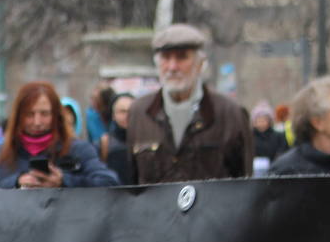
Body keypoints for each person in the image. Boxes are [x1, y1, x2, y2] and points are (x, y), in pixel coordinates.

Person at [128, 22, 252, 184]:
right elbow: (132, 182)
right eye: (166, 58)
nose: (172, 67)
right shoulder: (140, 113)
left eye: (181, 57)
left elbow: (244, 181)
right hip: (155, 210)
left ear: (200, 64)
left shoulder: (230, 113)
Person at [0, 81, 120, 189]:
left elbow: (109, 183)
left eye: (44, 114)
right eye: (29, 114)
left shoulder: (79, 151)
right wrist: (16, 182)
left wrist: (64, 181)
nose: (37, 122)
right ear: (18, 116)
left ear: (55, 115)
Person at [100, 92, 133, 185]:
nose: (127, 115)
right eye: (122, 111)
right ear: (113, 115)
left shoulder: (146, 141)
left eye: (131, 111)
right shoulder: (105, 143)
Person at [250, 100, 286, 173]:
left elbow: (283, 151)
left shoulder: (278, 136)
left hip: (274, 169)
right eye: (258, 120)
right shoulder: (250, 137)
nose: (261, 122)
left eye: (264, 120)